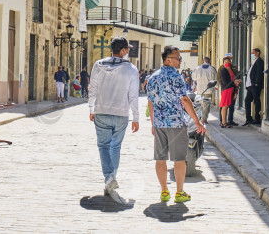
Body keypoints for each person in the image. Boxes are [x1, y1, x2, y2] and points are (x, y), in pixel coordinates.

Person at [146, 46, 206, 204]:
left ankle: (164, 191)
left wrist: (153, 123)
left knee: (160, 159)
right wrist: (197, 121)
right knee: (179, 159)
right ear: (168, 60)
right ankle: (179, 192)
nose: (180, 61)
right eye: (178, 58)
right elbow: (185, 100)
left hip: (159, 124)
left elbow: (150, 104)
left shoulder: (152, 78)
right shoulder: (176, 77)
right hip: (176, 123)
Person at [88, 36, 140, 198]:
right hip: (121, 113)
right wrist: (136, 117)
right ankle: (112, 178)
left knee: (103, 146)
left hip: (101, 111)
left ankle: (109, 178)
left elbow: (93, 89)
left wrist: (91, 107)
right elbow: (133, 95)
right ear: (123, 50)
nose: (127, 52)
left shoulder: (98, 65)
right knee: (115, 147)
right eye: (127, 50)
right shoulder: (131, 69)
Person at [191, 56, 218, 124]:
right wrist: (216, 86)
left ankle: (201, 117)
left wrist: (193, 87)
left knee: (202, 103)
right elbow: (216, 79)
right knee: (206, 104)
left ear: (203, 61)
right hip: (208, 90)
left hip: (200, 90)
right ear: (210, 61)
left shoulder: (198, 68)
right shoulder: (212, 69)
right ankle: (204, 118)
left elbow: (193, 78)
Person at [243, 48, 265, 126]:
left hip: (254, 85)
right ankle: (248, 118)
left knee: (256, 101)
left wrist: (256, 83)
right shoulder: (253, 61)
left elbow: (259, 73)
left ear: (258, 53)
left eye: (253, 53)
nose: (252, 54)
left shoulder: (259, 61)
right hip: (249, 85)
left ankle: (257, 118)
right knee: (247, 101)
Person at [218, 54, 241, 128]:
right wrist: (234, 82)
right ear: (223, 62)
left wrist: (237, 81)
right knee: (224, 106)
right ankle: (223, 122)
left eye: (228, 61)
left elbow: (234, 77)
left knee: (228, 106)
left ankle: (226, 121)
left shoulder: (231, 69)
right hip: (226, 90)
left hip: (232, 89)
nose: (227, 62)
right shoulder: (223, 70)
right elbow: (224, 81)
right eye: (225, 61)